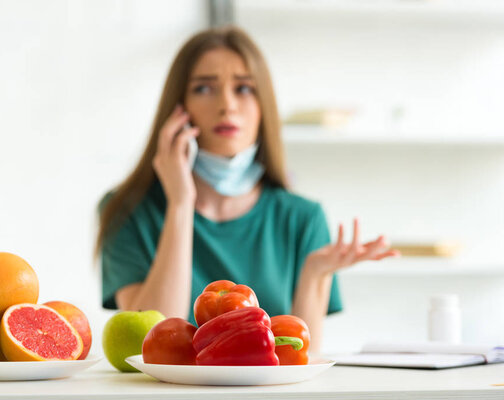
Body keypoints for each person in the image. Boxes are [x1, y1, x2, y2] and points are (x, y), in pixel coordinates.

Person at [95, 26, 398, 352]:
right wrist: (180, 204)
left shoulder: (303, 218)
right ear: (177, 107)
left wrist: (314, 274)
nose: (227, 105)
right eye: (204, 88)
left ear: (263, 107)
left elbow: (298, 358)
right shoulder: (127, 209)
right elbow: (154, 347)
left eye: (243, 88)